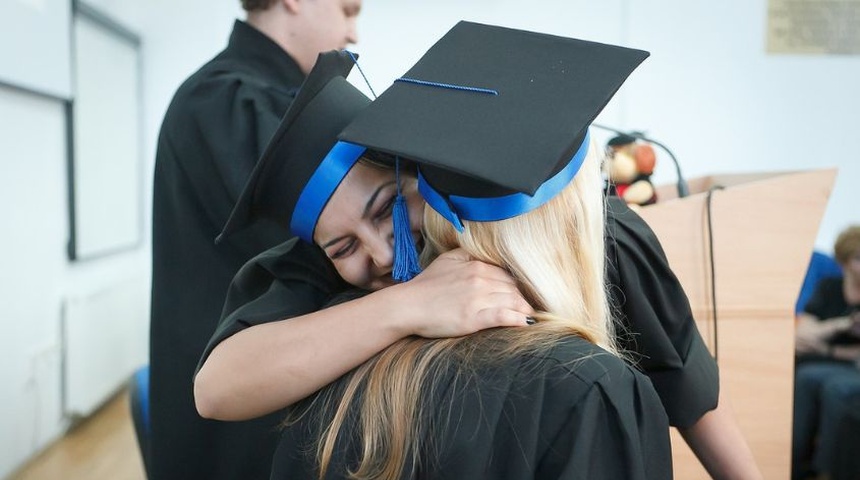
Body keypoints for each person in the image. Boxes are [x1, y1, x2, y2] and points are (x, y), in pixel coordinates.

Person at [195, 22, 760, 480]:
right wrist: (407, 305)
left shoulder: (598, 234)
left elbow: (690, 389)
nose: (382, 254)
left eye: (386, 207)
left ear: (419, 168)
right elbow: (218, 389)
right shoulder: (322, 270)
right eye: (342, 246)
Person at [149, 1, 361, 478]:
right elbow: (317, 246)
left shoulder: (245, 97)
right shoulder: (226, 98)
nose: (354, 33)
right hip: (237, 417)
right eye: (348, 10)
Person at [792, 225, 860, 480]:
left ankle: (827, 471)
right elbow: (800, 336)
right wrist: (840, 326)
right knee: (805, 377)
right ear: (844, 261)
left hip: (850, 367)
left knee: (834, 388)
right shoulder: (829, 287)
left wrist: (824, 345)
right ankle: (794, 463)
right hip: (822, 362)